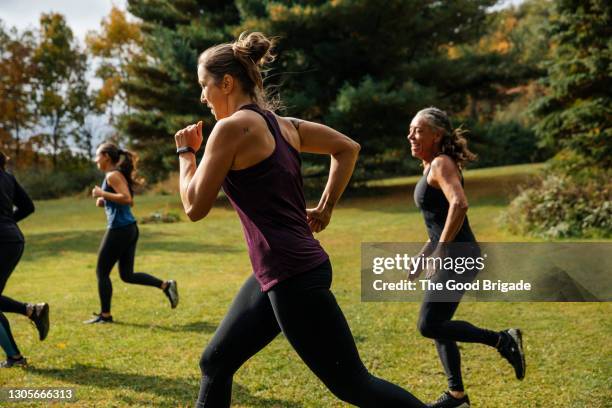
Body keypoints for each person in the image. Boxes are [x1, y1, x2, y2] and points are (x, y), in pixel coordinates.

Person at [175, 32, 427, 407]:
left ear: (226, 83)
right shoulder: (283, 125)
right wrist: (325, 207)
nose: (202, 97)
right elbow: (347, 148)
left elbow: (194, 206)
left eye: (204, 86)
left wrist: (185, 154)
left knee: (354, 384)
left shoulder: (231, 129)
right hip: (282, 271)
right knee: (216, 362)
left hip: (292, 274)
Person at [407, 107, 526, 407]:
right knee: (438, 322)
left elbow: (459, 204)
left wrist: (442, 250)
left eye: (418, 130)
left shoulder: (441, 164)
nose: (411, 135)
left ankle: (503, 339)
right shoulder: (430, 166)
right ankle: (457, 395)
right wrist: (425, 255)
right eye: (410, 130)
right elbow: (440, 219)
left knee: (429, 324)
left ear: (437, 135)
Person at [84, 143, 178, 324]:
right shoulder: (113, 176)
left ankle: (105, 316)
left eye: (97, 156)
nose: (95, 160)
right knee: (127, 275)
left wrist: (102, 193)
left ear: (106, 157)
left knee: (101, 271)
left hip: (120, 229)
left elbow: (127, 199)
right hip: (128, 228)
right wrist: (105, 200)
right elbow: (123, 198)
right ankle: (166, 285)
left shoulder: (113, 175)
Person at [0, 151, 49, 367]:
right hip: (13, 240)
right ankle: (31, 310)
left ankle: (15, 357)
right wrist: (8, 222)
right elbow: (28, 207)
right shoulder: (8, 177)